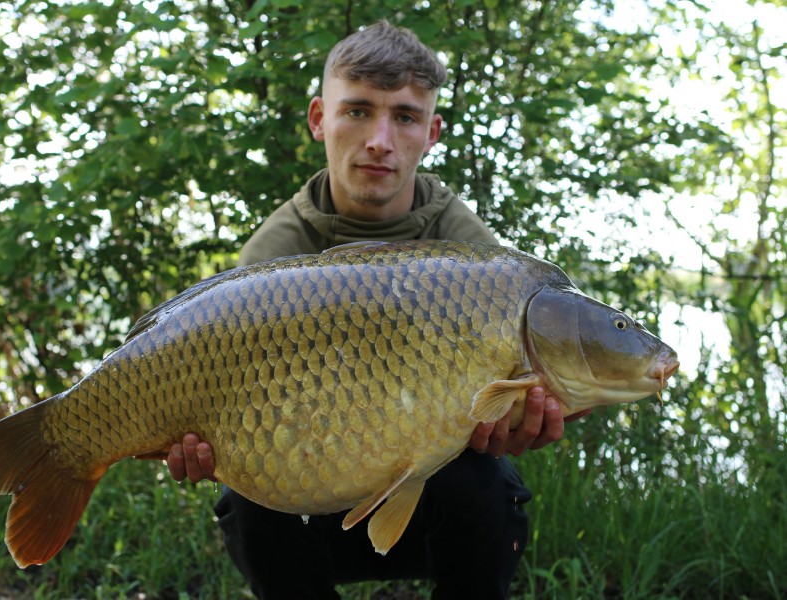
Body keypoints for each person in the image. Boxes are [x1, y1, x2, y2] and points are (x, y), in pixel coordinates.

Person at [165, 20, 587, 599]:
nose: (380, 140)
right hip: (305, 502)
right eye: (358, 111)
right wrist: (203, 442)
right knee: (245, 501)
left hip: (434, 507)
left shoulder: (473, 253)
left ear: (431, 131)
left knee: (487, 484)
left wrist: (532, 414)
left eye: (405, 117)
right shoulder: (272, 255)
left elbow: (534, 385)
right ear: (319, 119)